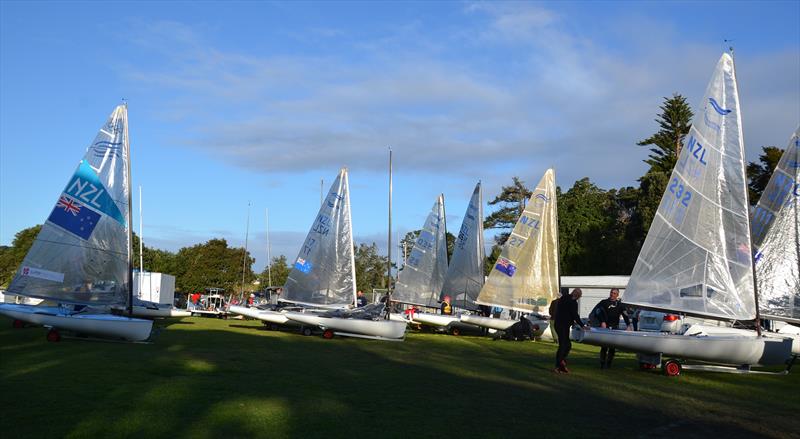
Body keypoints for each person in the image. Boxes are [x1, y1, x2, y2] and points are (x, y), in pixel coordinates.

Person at [593, 288, 632, 369]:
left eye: (614, 293)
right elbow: (597, 312)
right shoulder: (603, 302)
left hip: (615, 327)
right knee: (604, 346)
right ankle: (602, 363)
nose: (612, 294)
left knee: (612, 347)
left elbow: (625, 315)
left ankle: (609, 364)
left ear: (617, 295)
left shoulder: (620, 304)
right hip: (605, 327)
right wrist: (602, 321)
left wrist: (628, 325)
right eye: (611, 292)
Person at [554, 288, 588, 374]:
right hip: (562, 325)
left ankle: (561, 362)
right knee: (564, 345)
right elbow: (574, 314)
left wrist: (572, 322)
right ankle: (559, 364)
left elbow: (569, 313)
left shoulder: (564, 298)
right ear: (578, 296)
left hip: (561, 324)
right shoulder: (572, 302)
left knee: (566, 345)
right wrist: (582, 325)